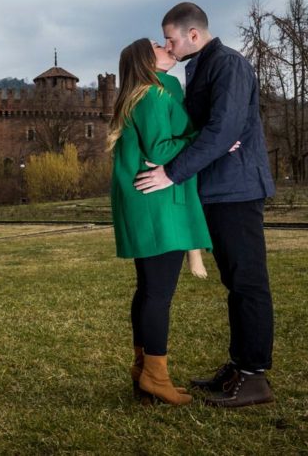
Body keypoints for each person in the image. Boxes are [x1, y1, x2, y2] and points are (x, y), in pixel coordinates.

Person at [134, 2, 277, 408]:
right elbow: (202, 129)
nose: (168, 46)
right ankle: (238, 367)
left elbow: (223, 130)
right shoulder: (200, 67)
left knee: (247, 281)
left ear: (193, 35)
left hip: (237, 190)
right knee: (234, 282)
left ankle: (254, 378)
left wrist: (171, 172)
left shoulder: (227, 64)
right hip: (215, 189)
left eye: (171, 39)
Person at [109, 38, 212, 406]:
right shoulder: (151, 95)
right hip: (156, 204)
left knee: (148, 289)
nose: (165, 44)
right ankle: (155, 375)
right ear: (145, 60)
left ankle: (144, 371)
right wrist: (206, 139)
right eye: (156, 44)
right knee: (158, 292)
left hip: (147, 202)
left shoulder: (150, 92)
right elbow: (160, 149)